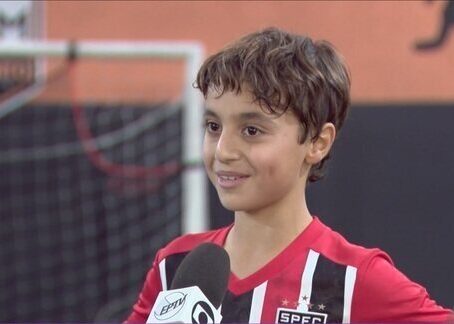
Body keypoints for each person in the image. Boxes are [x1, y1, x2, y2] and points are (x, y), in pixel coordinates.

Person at [126, 27, 453, 323]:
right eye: (213, 127)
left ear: (317, 142)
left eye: (251, 130)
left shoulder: (353, 278)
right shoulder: (175, 267)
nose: (223, 150)